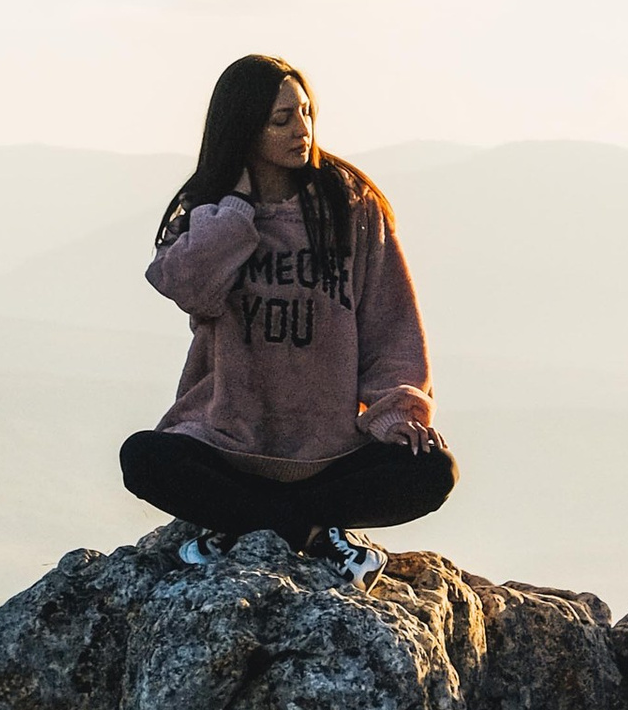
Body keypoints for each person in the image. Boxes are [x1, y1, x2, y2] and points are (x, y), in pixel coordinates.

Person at [119, 52, 455, 582]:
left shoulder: (352, 208)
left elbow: (392, 326)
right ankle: (317, 531)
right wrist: (235, 212)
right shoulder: (210, 214)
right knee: (143, 458)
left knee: (433, 471)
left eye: (306, 114)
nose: (303, 130)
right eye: (282, 120)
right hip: (227, 446)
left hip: (332, 452)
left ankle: (246, 526)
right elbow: (187, 288)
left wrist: (398, 414)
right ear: (244, 130)